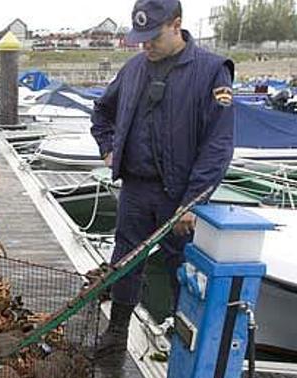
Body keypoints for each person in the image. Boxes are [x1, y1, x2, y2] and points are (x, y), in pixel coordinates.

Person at [90, 0, 235, 352]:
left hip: (180, 195)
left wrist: (193, 202)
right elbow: (102, 111)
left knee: (182, 270)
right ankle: (117, 332)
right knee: (124, 262)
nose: (146, 45)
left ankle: (184, 340)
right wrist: (108, 149)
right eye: (141, 38)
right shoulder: (134, 69)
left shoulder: (212, 72)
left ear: (176, 25)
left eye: (152, 37)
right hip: (136, 189)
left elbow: (218, 145)